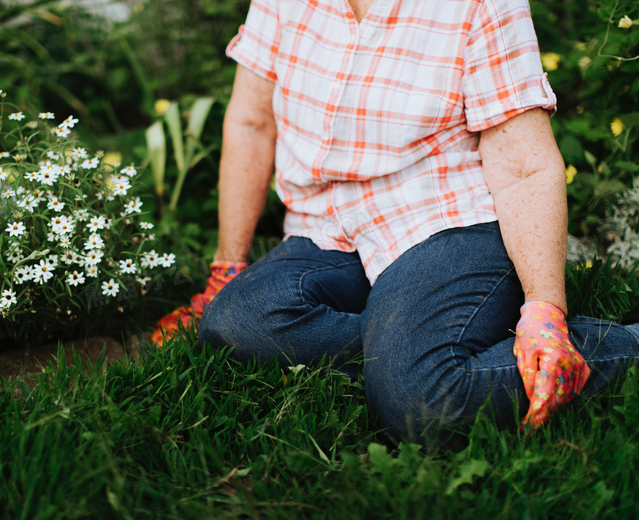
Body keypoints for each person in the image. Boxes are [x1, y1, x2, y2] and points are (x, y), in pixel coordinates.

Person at [152, 0, 639, 445]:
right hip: (327, 229)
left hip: (442, 221)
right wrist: (227, 267)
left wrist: (543, 309)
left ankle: (620, 346)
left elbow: (524, 166)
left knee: (423, 407)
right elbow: (251, 123)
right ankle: (417, 348)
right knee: (236, 323)